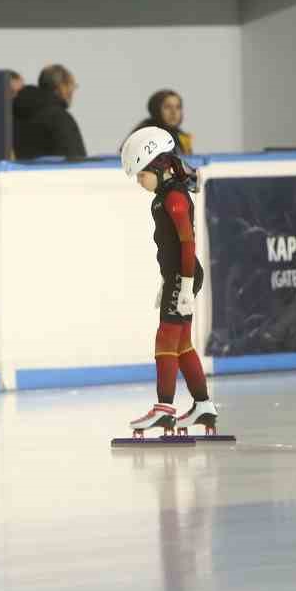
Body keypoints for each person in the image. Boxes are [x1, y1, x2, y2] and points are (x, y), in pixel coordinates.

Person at [119, 125, 220, 437]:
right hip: (178, 275)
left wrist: (185, 284)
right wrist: (170, 281)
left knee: (165, 339)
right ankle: (203, 405)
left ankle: (164, 410)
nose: (139, 181)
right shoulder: (164, 196)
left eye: (141, 174)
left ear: (159, 166)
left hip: (184, 274)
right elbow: (173, 248)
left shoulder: (174, 199)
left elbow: (188, 244)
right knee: (182, 343)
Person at [12, 64, 87, 160]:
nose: (72, 91)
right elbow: (77, 160)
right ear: (62, 87)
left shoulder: (14, 116)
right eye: (72, 86)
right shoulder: (60, 119)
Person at [132, 89, 193, 155]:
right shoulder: (144, 134)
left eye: (178, 107)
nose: (173, 112)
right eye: (167, 107)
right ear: (156, 109)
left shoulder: (183, 137)